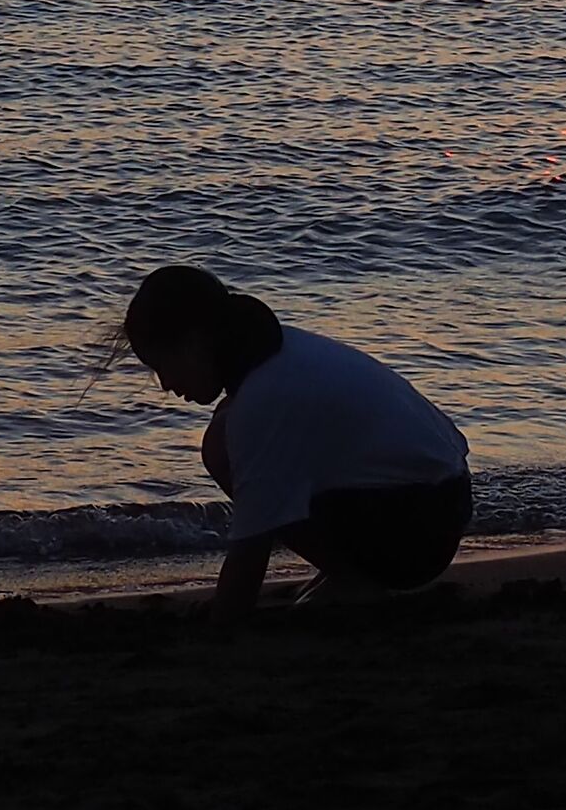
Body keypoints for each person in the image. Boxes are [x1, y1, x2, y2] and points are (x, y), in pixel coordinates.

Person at [114, 265, 473, 622]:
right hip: (443, 500)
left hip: (418, 533)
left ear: (193, 345)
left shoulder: (262, 400)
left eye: (162, 366)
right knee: (225, 432)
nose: (165, 384)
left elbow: (252, 546)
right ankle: (346, 572)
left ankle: (355, 579)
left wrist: (222, 621)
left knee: (224, 449)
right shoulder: (282, 350)